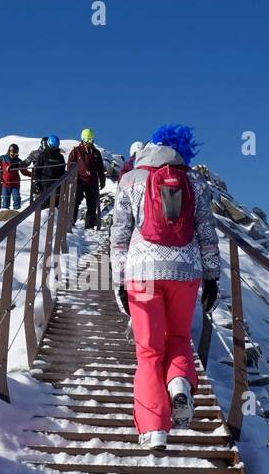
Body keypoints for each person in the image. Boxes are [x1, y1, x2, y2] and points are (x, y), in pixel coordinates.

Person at [111, 124, 220, 452]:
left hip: (142, 273)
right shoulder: (195, 182)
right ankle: (178, 386)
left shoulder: (130, 179)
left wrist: (118, 281)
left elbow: (119, 236)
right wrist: (212, 277)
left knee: (148, 351)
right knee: (177, 338)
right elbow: (207, 234)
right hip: (186, 272)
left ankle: (154, 430)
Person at [67, 128, 106, 230]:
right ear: (84, 139)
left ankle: (89, 226)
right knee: (75, 201)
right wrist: (71, 179)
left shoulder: (96, 152)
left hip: (92, 181)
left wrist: (102, 180)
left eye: (92, 140)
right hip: (79, 180)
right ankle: (71, 222)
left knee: (92, 203)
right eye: (89, 140)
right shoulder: (76, 151)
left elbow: (100, 168)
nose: (91, 142)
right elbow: (70, 166)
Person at [0, 143, 32, 210]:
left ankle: (17, 215)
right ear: (9, 151)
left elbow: (24, 171)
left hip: (15, 184)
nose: (13, 154)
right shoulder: (3, 158)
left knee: (16, 199)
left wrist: (32, 175)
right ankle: (5, 216)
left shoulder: (18, 161)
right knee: (5, 201)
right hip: (5, 183)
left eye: (15, 153)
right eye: (12, 152)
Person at [33, 134, 66, 205]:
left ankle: (55, 215)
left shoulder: (60, 157)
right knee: (45, 203)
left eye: (55, 146)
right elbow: (37, 169)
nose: (54, 148)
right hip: (45, 183)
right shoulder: (43, 155)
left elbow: (62, 170)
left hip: (57, 183)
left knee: (56, 203)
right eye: (52, 146)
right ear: (49, 144)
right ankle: (44, 215)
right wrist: (37, 181)